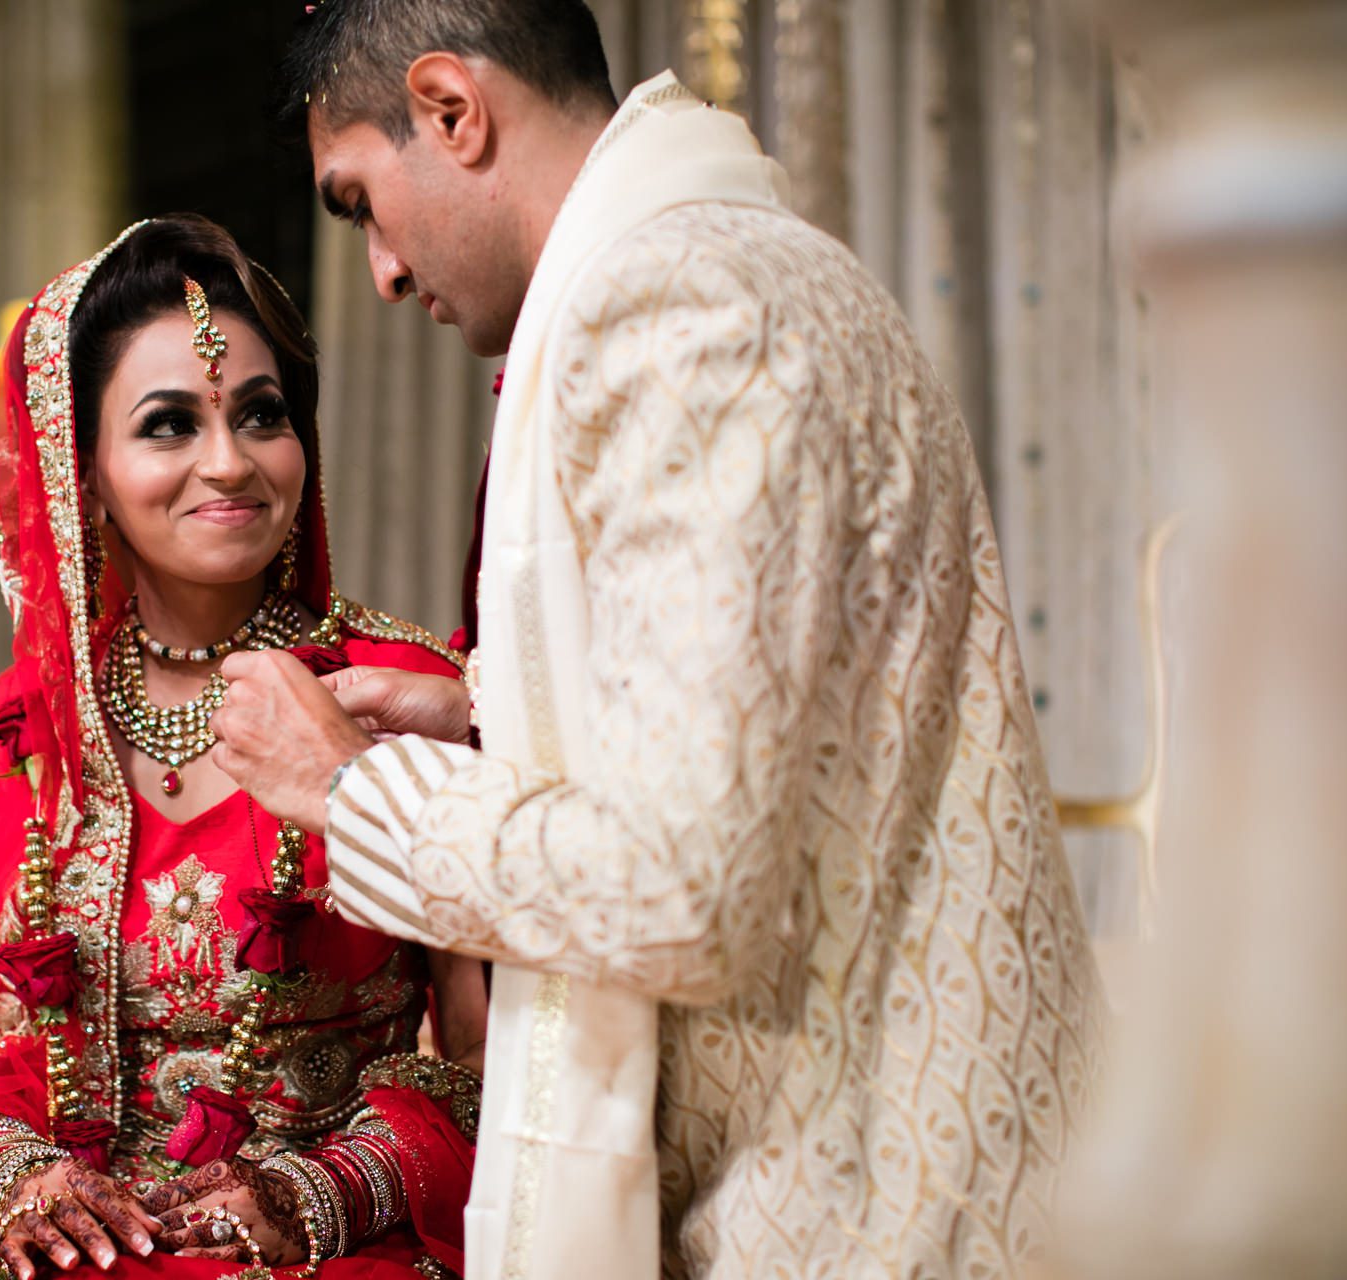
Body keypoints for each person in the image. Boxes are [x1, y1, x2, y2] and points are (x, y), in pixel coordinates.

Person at [209, 3, 1104, 1278]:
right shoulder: (732, 264)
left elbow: (684, 885)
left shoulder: (678, 310)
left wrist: (349, 792)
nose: (384, 273)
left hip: (874, 1207)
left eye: (357, 203)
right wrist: (488, 718)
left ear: (453, 111)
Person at [0, 215, 487, 1280]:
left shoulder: (406, 696)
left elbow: (499, 1055)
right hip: (83, 1244)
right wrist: (22, 1177)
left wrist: (325, 1186)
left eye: (262, 414)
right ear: (83, 471)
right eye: (169, 424)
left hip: (326, 1241)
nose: (230, 462)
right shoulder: (23, 737)